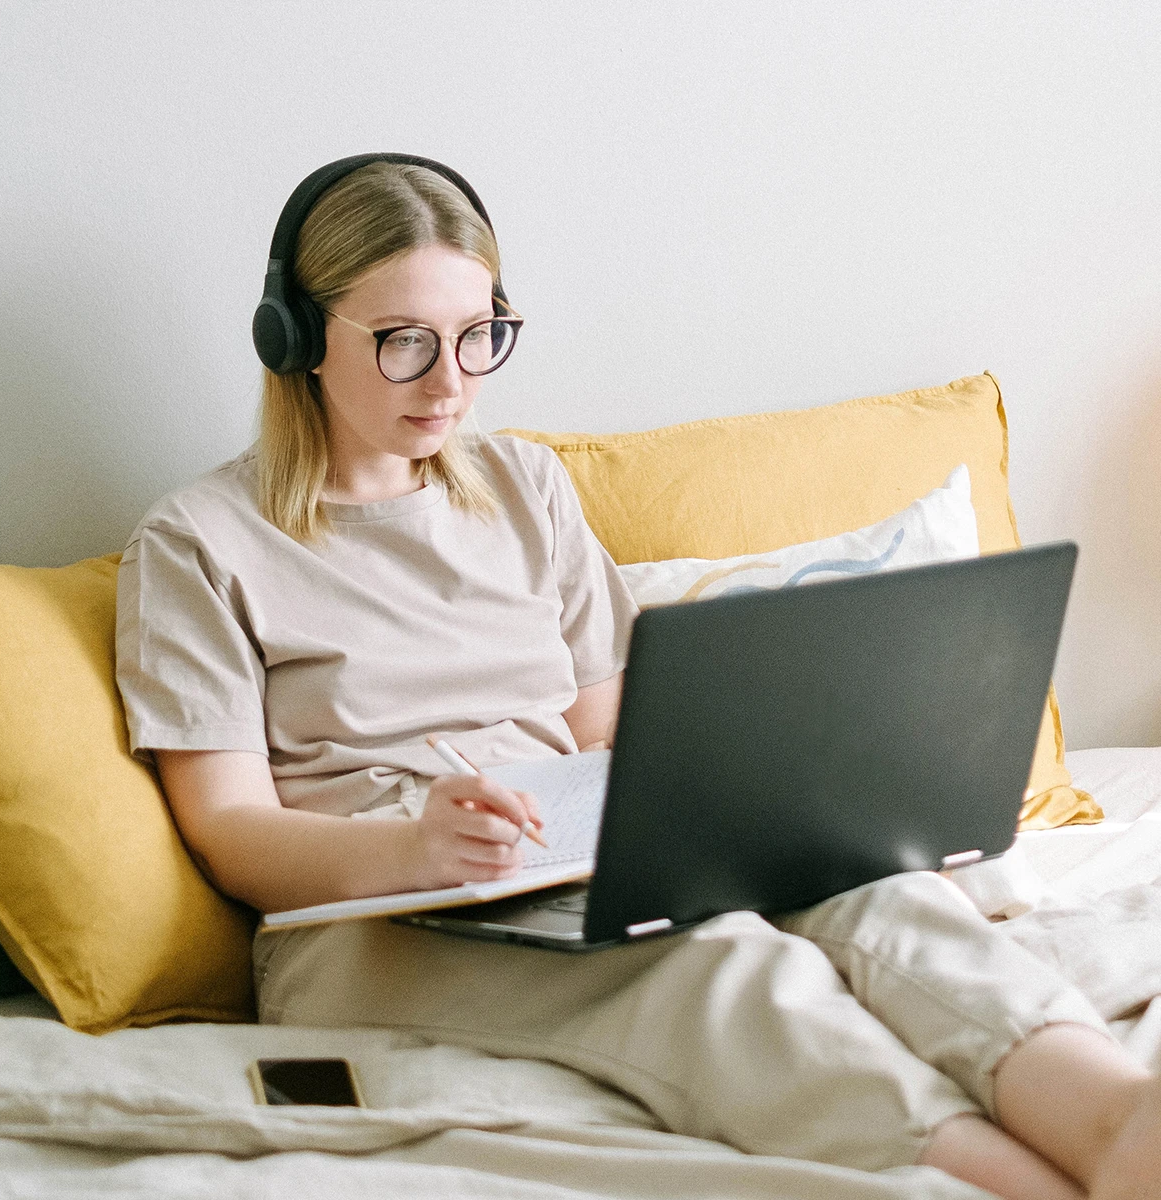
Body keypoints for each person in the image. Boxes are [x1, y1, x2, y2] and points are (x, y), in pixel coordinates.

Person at [115, 155, 1161, 1200]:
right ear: (295, 338)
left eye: (481, 337)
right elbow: (229, 832)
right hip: (361, 921)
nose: (451, 383)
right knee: (728, 970)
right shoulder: (200, 543)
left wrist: (751, 807)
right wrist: (415, 848)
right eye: (405, 344)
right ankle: (1005, 1180)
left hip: (554, 853)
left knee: (875, 886)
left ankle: (1116, 1119)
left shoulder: (523, 486)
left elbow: (609, 734)